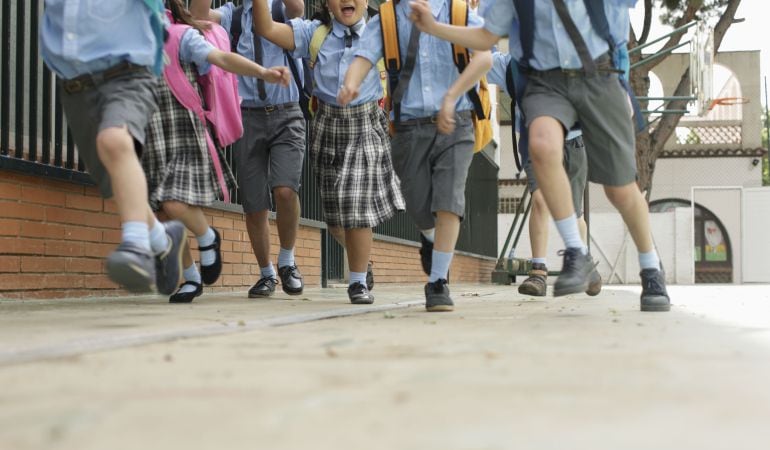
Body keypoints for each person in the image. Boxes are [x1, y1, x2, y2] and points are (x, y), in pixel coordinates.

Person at [409, 0, 670, 311]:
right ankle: (576, 253)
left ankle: (651, 267)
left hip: (600, 73)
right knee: (542, 145)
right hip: (545, 82)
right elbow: (486, 37)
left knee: (620, 190)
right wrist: (434, 27)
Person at [339, 0, 492, 312]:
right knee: (418, 203)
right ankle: (430, 237)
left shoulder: (457, 12)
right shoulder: (387, 18)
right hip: (408, 127)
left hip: (456, 121)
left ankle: (438, 282)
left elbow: (485, 57)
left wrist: (452, 95)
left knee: (449, 199)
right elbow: (364, 56)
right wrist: (351, 84)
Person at [250, 0, 405, 304]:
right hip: (326, 125)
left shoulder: (382, 32)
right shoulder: (313, 34)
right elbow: (265, 28)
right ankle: (363, 261)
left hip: (365, 123)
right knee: (336, 220)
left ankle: (357, 282)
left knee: (357, 207)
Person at [144, 0, 292, 303]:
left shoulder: (180, 36)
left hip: (183, 132)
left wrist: (262, 72)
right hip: (150, 137)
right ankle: (191, 277)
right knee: (163, 213)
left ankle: (208, 237)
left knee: (173, 203)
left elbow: (223, 58)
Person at [39, 0, 186, 295]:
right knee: (116, 178)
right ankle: (162, 240)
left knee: (114, 141)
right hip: (76, 87)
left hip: (129, 72)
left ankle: (136, 247)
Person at [190, 0, 307, 298]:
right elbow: (200, 17)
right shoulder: (234, 13)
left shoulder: (281, 8)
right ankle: (266, 273)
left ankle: (287, 261)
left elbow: (298, 7)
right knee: (254, 203)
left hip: (287, 111)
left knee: (285, 190)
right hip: (247, 116)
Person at [487, 51, 601, 297]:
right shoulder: (510, 64)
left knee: (573, 212)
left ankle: (584, 261)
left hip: (573, 142)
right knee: (540, 201)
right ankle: (538, 271)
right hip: (535, 142)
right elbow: (472, 60)